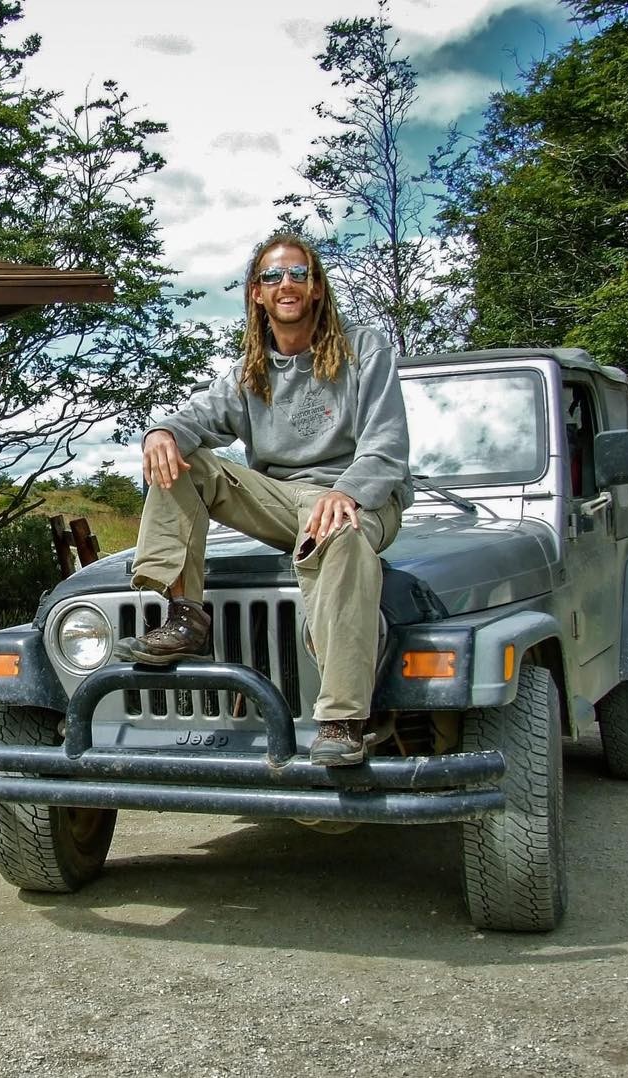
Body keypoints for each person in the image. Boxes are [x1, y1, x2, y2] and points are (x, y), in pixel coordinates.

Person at [112, 232, 412, 767]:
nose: (285, 283)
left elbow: (386, 446)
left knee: (341, 536)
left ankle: (342, 719)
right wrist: (159, 432)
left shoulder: (364, 347)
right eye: (272, 276)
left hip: (360, 498)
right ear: (256, 293)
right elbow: (196, 418)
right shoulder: (251, 369)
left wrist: (345, 492)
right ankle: (185, 615)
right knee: (182, 460)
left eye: (298, 273)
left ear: (316, 287)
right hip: (281, 500)